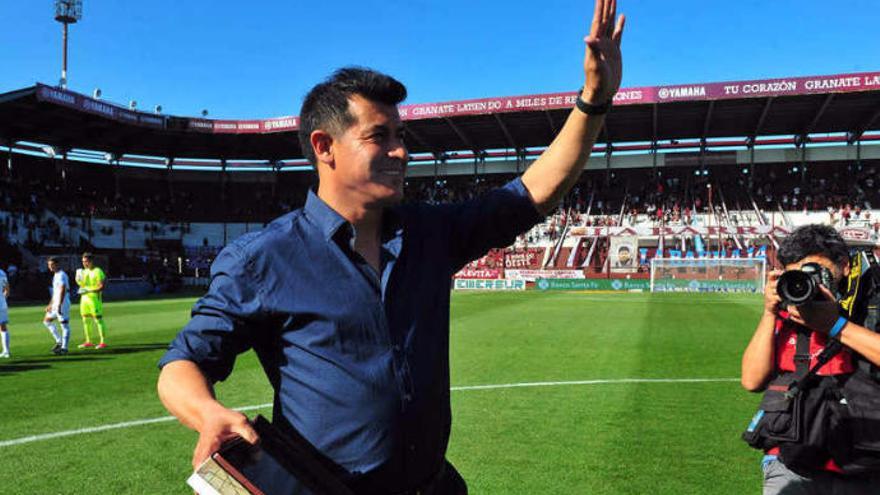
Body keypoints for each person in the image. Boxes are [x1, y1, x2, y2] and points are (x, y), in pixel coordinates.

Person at [157, 1, 625, 492]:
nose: (401, 151)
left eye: (401, 135)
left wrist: (592, 100)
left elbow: (532, 193)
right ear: (324, 146)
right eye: (379, 137)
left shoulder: (430, 233)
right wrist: (207, 412)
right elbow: (181, 364)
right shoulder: (264, 258)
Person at [741, 224, 880, 494]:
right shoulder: (791, 303)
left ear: (845, 266)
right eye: (798, 273)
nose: (809, 280)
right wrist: (769, 312)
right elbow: (751, 380)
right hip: (793, 460)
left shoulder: (872, 300)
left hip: (868, 464)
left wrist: (835, 325)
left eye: (816, 270)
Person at [75, 252, 108, 349]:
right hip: (84, 299)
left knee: (98, 320)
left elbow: (101, 287)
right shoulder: (83, 272)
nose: (84, 263)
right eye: (83, 261)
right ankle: (88, 341)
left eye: (86, 261)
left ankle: (102, 342)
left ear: (91, 261)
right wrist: (78, 279)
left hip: (94, 299)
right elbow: (82, 285)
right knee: (85, 320)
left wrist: (89, 290)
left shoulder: (98, 271)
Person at [44, 257, 71, 355]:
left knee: (64, 325)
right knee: (47, 321)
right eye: (49, 265)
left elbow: (63, 289)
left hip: (62, 302)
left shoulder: (62, 275)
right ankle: (59, 341)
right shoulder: (56, 275)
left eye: (52, 265)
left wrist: (59, 304)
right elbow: (56, 292)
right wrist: (50, 304)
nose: (50, 267)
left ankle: (64, 347)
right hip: (56, 301)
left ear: (57, 264)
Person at [0, 266, 9, 358]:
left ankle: (6, 351)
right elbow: (7, 290)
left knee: (2, 327)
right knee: (3, 327)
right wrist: (3, 299)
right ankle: (6, 351)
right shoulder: (2, 272)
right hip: (2, 303)